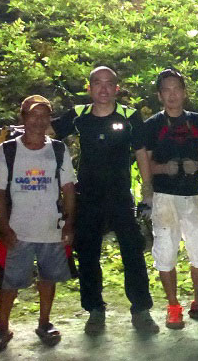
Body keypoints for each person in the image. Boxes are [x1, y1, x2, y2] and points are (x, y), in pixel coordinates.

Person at [51, 66, 159, 334]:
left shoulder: (129, 116)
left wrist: (148, 191)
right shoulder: (78, 115)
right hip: (87, 196)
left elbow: (142, 153)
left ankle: (141, 310)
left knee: (132, 251)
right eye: (97, 83)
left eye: (109, 84)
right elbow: (47, 134)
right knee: (87, 252)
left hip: (120, 196)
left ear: (116, 88)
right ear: (89, 87)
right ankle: (95, 310)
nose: (103, 89)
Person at [0, 95, 77, 354]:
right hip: (18, 230)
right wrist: (3, 226)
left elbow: (68, 188)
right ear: (23, 118)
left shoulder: (58, 149)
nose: (38, 121)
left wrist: (69, 223)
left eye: (44, 115)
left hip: (51, 228)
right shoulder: (9, 150)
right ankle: (2, 329)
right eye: (32, 115)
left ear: (49, 119)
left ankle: (44, 323)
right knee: (9, 283)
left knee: (48, 279)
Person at [142, 68, 198, 329]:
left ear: (184, 92)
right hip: (164, 196)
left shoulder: (197, 122)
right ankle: (173, 306)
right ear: (160, 95)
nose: (172, 95)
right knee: (165, 252)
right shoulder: (151, 125)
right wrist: (164, 169)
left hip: (192, 194)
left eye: (176, 89)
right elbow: (145, 164)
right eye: (166, 90)